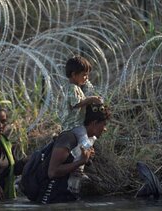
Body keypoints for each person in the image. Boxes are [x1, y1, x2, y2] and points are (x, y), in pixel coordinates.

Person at [38, 103, 111, 204]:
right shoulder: (68, 137)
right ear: (94, 123)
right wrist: (81, 161)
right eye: (104, 124)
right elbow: (52, 172)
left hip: (67, 198)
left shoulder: (87, 141)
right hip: (51, 199)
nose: (105, 129)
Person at [62, 56, 103, 192]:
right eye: (84, 75)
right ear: (74, 75)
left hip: (76, 124)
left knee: (82, 148)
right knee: (86, 144)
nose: (86, 78)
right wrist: (90, 99)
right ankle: (78, 169)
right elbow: (76, 104)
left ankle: (79, 169)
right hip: (73, 125)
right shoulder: (72, 88)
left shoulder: (78, 88)